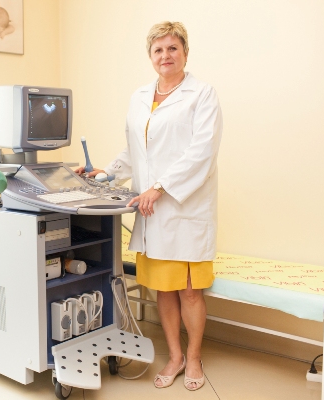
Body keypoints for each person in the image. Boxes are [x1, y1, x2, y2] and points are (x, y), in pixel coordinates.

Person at [75, 21, 222, 391]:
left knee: (189, 291)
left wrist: (159, 187)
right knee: (163, 289)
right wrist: (104, 173)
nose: (165, 55)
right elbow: (134, 151)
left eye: (173, 48)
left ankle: (194, 357)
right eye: (158, 50)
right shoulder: (140, 96)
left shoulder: (202, 94)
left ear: (185, 52)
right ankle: (174, 356)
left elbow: (202, 152)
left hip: (185, 209)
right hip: (151, 210)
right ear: (150, 56)